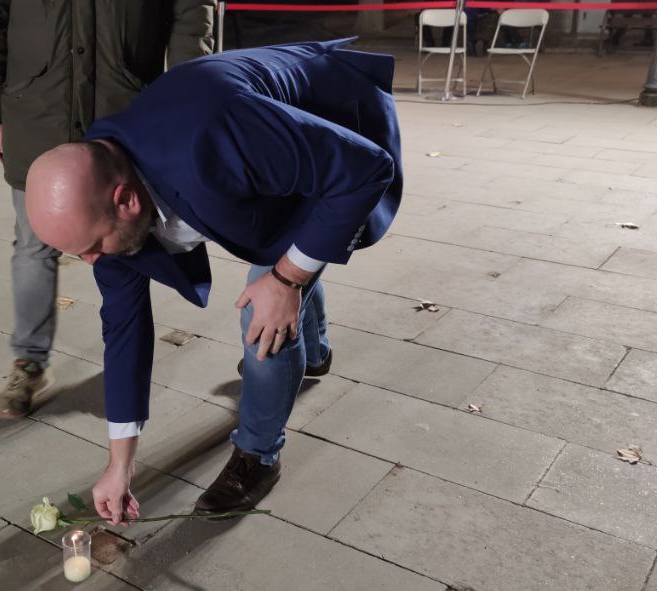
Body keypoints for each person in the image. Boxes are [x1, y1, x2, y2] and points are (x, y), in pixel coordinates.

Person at [23, 39, 403, 522]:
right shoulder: (102, 199)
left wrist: (286, 281)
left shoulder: (217, 135)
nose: (94, 261)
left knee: (262, 310)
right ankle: (317, 350)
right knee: (277, 250)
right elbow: (124, 332)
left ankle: (259, 455)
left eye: (94, 247)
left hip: (341, 128)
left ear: (127, 201)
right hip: (271, 156)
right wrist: (120, 464)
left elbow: (363, 169)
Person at [0, 1, 216, 419]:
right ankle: (29, 362)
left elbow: (191, 10)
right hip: (37, 108)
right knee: (33, 245)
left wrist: (187, 96)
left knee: (128, 247)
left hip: (126, 105)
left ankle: (126, 372)